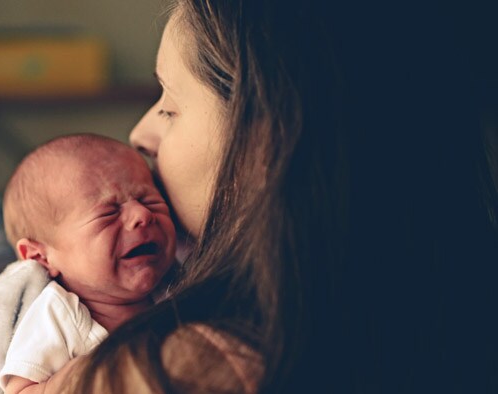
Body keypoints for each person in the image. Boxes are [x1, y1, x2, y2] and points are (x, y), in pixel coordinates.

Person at [34, 0, 498, 393]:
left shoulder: (179, 369)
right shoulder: (452, 311)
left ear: (266, 142)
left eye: (171, 107)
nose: (140, 134)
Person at [0, 134, 177, 393]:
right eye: (108, 212)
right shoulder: (57, 315)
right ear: (40, 256)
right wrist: (80, 378)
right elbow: (19, 390)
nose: (143, 214)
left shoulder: (180, 286)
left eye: (150, 200)